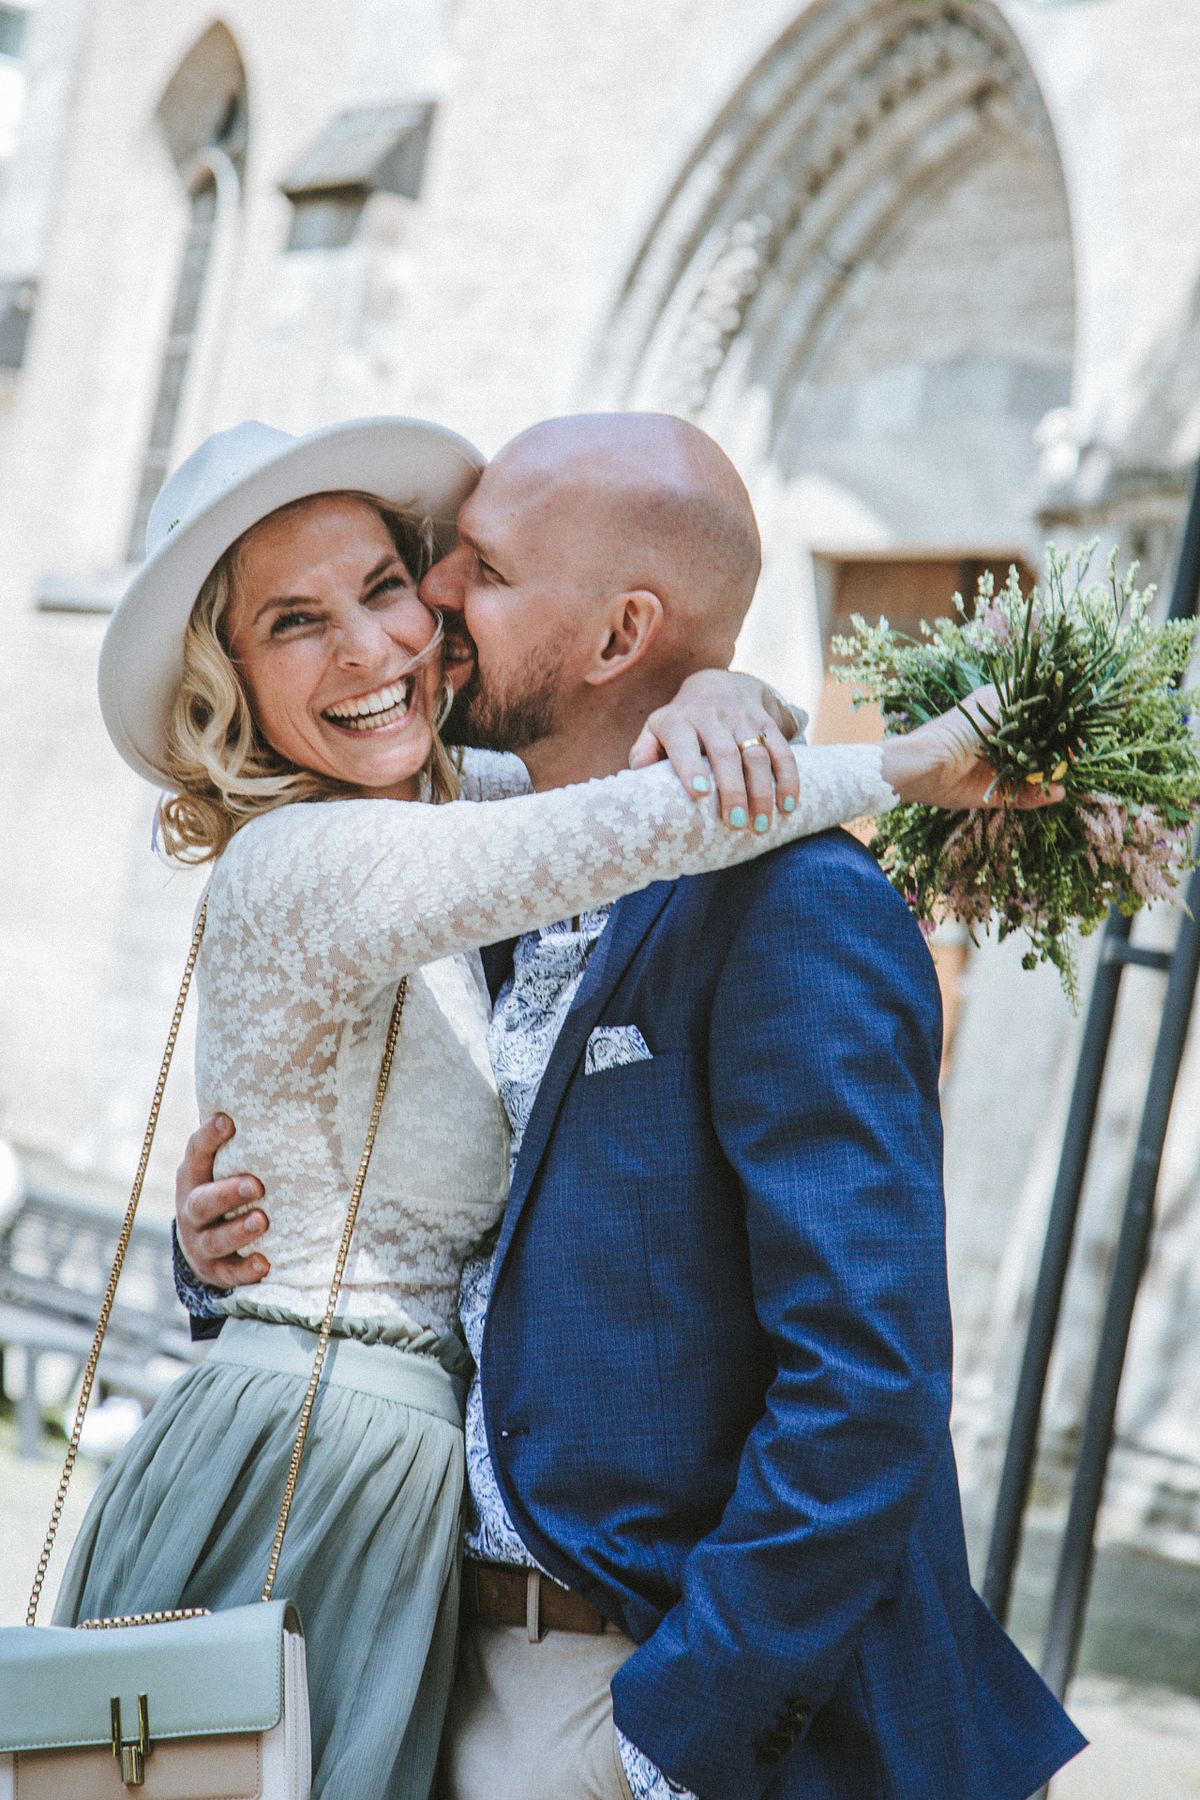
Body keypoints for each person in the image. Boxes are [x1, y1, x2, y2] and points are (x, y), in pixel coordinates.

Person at [60, 410, 1011, 1800]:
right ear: (231, 678)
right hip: (321, 1494)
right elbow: (616, 827)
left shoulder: (544, 842)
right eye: (294, 623)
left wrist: (732, 701)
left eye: (421, 578)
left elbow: (866, 1381)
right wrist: (908, 762)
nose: (414, 621)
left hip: (556, 1642)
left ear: (621, 636)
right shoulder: (347, 863)